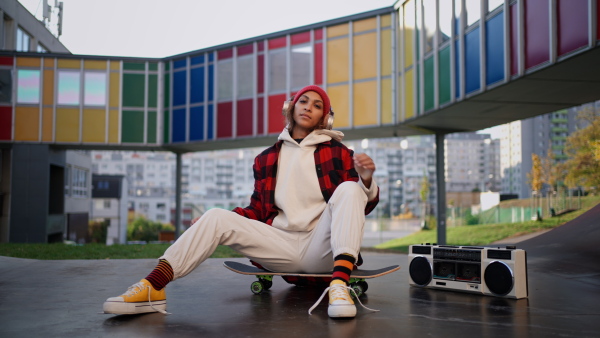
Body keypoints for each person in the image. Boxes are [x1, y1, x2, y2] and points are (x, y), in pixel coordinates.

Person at [103, 85, 379, 318]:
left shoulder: (340, 154)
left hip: (323, 248)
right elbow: (258, 209)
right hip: (280, 246)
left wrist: (365, 181)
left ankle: (339, 288)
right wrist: (221, 221)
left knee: (349, 189)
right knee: (215, 216)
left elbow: (356, 207)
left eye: (317, 105)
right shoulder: (266, 159)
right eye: (303, 101)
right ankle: (153, 287)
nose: (308, 107)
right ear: (291, 108)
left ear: (324, 118)